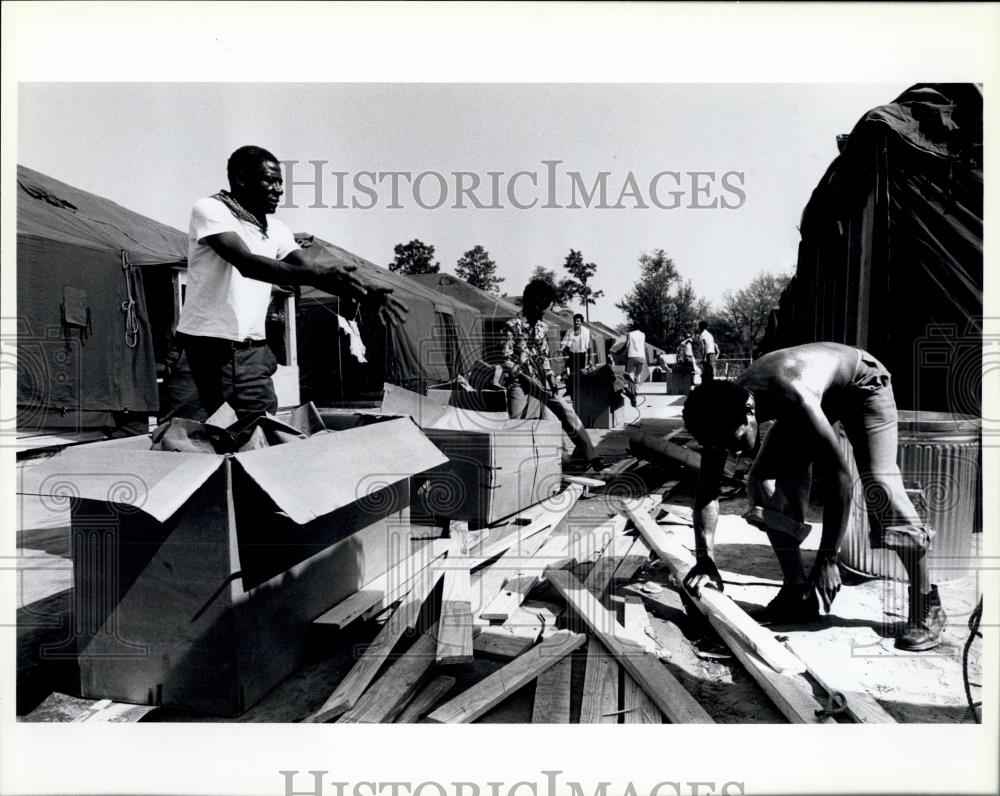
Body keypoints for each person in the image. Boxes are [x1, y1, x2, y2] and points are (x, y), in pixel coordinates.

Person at [681, 342, 945, 651]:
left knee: (880, 485)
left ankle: (928, 603)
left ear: (750, 412)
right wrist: (704, 559)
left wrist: (828, 558)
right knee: (760, 478)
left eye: (735, 441)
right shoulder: (720, 413)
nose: (733, 451)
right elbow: (706, 491)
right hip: (817, 395)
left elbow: (840, 477)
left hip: (861, 385)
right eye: (722, 446)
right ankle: (797, 594)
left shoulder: (790, 394)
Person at [175, 146, 407, 419]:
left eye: (280, 182)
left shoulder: (276, 229)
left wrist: (366, 291)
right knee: (188, 439)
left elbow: (307, 269)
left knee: (259, 438)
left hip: (252, 356)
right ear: (240, 179)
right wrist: (319, 274)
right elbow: (247, 264)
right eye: (269, 180)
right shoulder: (211, 209)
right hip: (204, 350)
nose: (278, 190)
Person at [503, 280, 605, 473]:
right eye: (540, 307)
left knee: (566, 411)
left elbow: (543, 356)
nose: (542, 312)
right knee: (518, 424)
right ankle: (515, 469)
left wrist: (550, 376)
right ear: (530, 303)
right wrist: (521, 367)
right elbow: (505, 360)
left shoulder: (542, 327)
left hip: (541, 382)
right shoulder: (512, 327)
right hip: (520, 382)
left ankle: (591, 456)